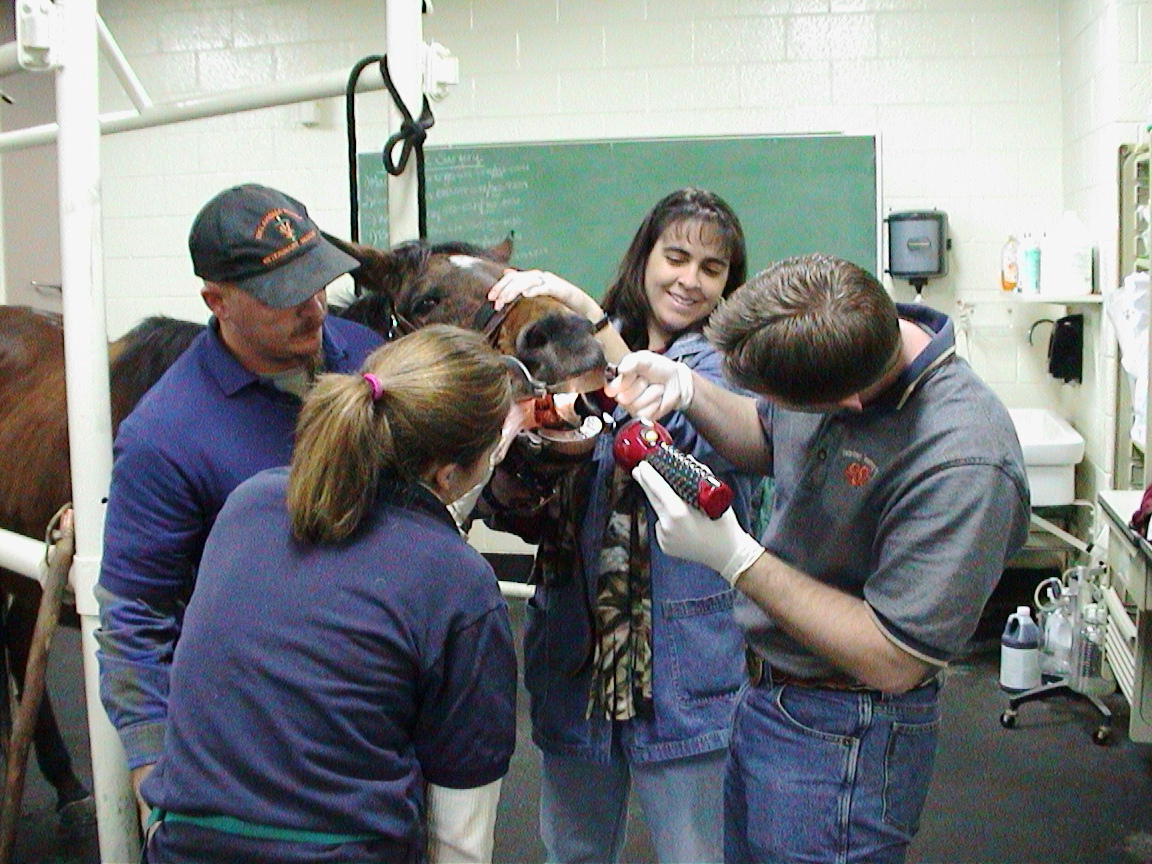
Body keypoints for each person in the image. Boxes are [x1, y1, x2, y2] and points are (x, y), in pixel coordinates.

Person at [609, 253, 1030, 864]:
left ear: (847, 403)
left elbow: (894, 658)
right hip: (764, 699)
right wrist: (691, 391)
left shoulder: (965, 461)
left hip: (849, 733)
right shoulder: (834, 331)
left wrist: (736, 559)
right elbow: (764, 434)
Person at [139, 325, 518, 864]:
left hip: (181, 848)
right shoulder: (459, 582)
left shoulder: (249, 504)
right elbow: (460, 843)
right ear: (450, 474)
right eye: (493, 449)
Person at [485, 188, 757, 863]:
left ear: (729, 284)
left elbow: (651, 422)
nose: (689, 281)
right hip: (579, 658)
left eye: (712, 269)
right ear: (645, 258)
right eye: (676, 257)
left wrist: (582, 307)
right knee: (573, 850)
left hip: (682, 663)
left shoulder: (729, 372)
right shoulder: (571, 354)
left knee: (695, 853)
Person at [95, 183, 383, 818]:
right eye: (283, 295)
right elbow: (134, 619)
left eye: (318, 282)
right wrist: (154, 780)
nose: (312, 309)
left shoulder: (367, 360)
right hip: (252, 731)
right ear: (216, 301)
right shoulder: (164, 435)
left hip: (373, 712)